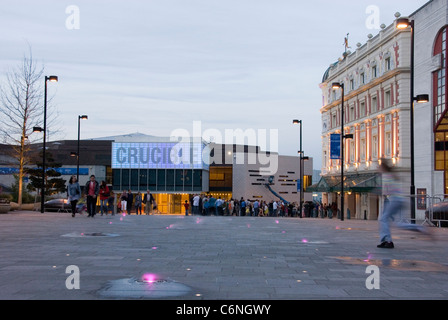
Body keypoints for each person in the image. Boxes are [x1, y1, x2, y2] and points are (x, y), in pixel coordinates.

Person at [377, 158, 428, 249]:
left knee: (384, 219)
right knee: (398, 223)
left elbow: (386, 191)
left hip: (395, 200)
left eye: (379, 166)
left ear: (383, 167)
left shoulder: (386, 176)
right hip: (400, 200)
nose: (378, 168)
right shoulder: (391, 175)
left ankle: (388, 241)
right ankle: (421, 229)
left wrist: (380, 192)